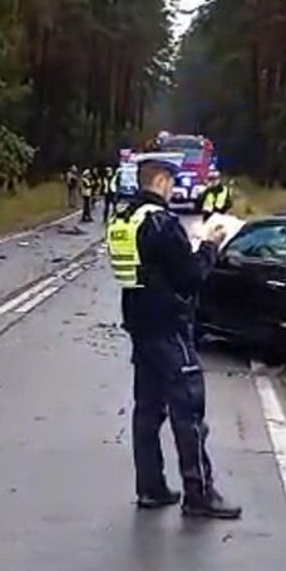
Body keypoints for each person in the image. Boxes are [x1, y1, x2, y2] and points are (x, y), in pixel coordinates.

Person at [106, 155, 242, 519]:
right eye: (172, 180)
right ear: (163, 181)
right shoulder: (162, 224)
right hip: (169, 327)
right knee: (189, 411)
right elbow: (190, 277)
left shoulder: (122, 219)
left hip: (139, 326)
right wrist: (211, 245)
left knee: (147, 411)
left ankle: (150, 487)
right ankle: (198, 493)